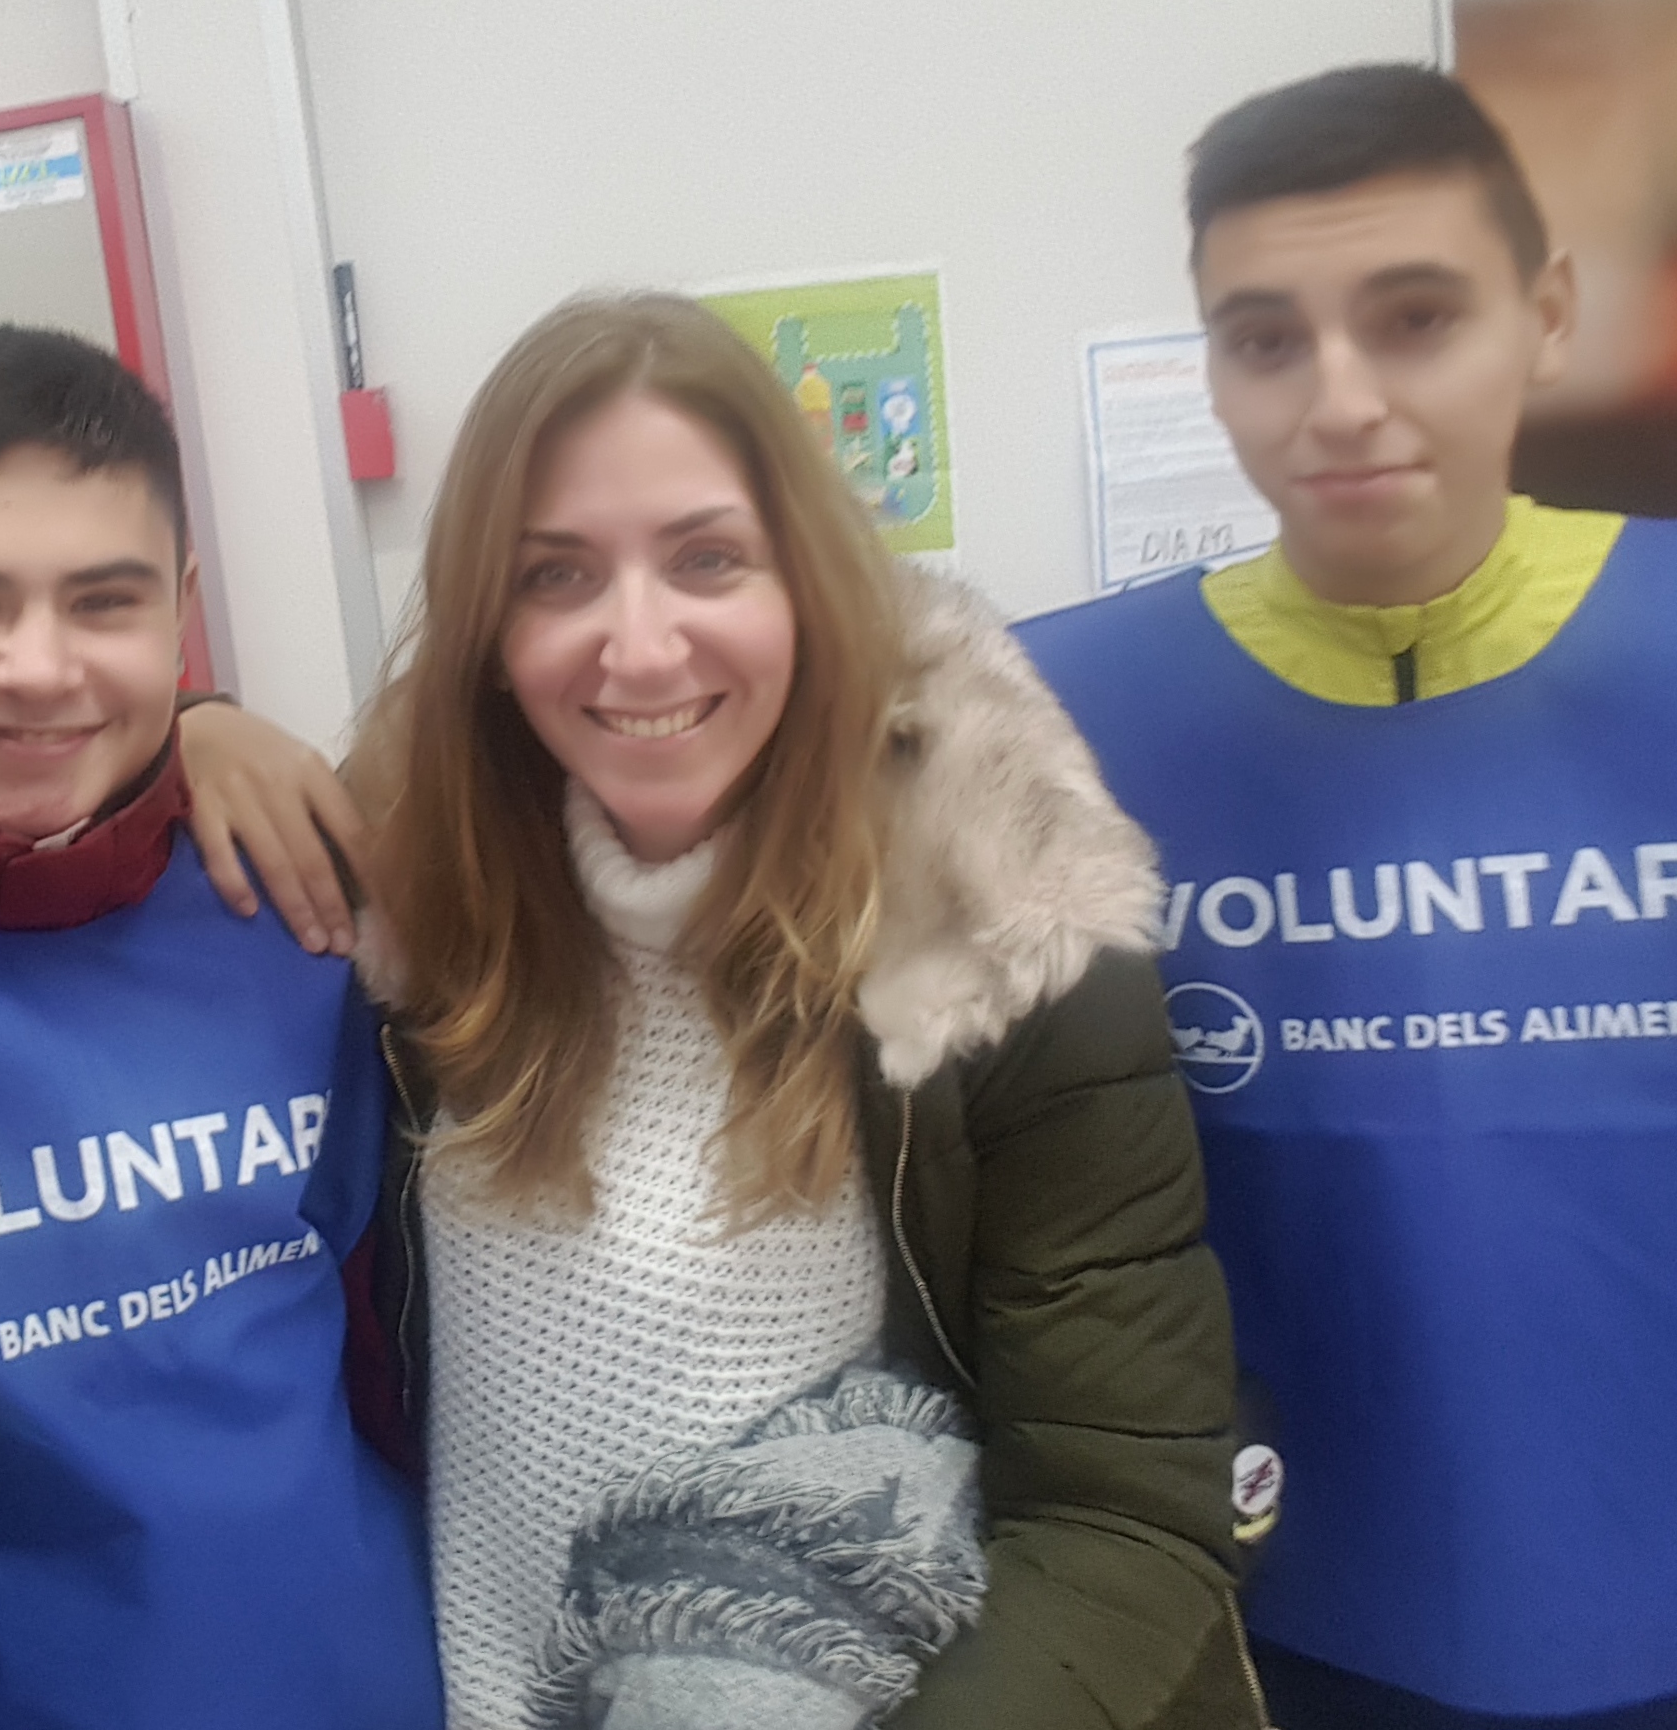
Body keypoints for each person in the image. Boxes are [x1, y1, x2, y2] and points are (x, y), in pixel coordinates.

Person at [337, 291, 1256, 1728]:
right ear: (487, 630)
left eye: (707, 558)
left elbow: (1123, 1516)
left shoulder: (999, 941)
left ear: (811, 581)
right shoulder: (419, 919)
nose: (640, 648)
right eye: (556, 575)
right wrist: (202, 729)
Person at [1017, 65, 1677, 1730]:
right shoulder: (1050, 720)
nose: (1341, 401)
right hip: (1278, 1616)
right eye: (1265, 340)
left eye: (1415, 319)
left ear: (1544, 315)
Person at [0, 325, 441, 1730]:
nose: (37, 667)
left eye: (104, 602)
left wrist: (206, 726)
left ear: (179, 611)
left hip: (370, 1680)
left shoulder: (298, 892)